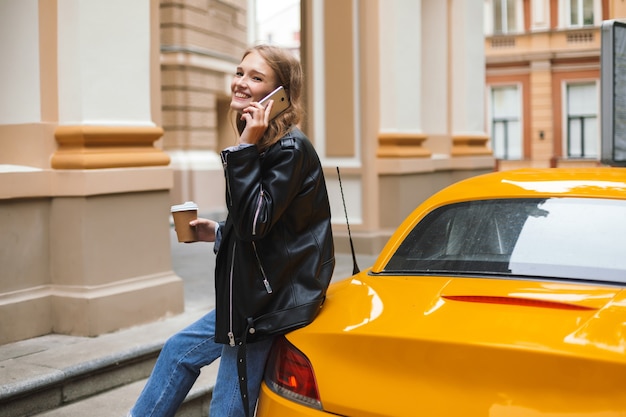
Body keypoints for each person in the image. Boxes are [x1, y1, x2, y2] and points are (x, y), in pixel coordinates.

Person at [127, 44, 335, 417]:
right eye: (240, 72)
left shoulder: (287, 148)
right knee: (179, 352)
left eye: (256, 78)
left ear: (281, 93)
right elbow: (266, 222)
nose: (241, 83)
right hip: (250, 295)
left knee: (225, 406)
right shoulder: (263, 144)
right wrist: (220, 232)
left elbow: (257, 224)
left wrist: (242, 149)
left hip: (269, 303)